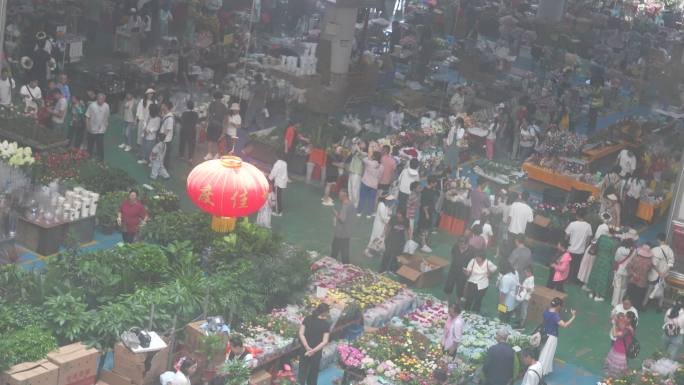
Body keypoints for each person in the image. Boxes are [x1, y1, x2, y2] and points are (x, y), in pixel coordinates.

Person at [539, 297, 577, 375]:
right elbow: (564, 325)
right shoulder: (555, 316)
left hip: (544, 335)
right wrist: (573, 316)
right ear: (558, 306)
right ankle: (542, 370)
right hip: (552, 338)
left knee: (543, 351)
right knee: (547, 354)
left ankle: (540, 368)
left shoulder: (546, 311)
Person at [298, 304, 331, 385]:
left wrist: (307, 347)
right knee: (313, 373)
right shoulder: (326, 324)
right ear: (324, 312)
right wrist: (313, 351)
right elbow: (325, 341)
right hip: (316, 352)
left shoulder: (308, 318)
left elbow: (301, 333)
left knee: (302, 371)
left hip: (304, 350)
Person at [579, 212, 612, 290]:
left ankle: (585, 283)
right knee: (590, 267)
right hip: (596, 248)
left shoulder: (601, 226)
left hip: (592, 246)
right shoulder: (606, 228)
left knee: (587, 266)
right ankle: (587, 283)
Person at [644, 233, 675, 309]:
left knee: (650, 289)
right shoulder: (670, 251)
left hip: (655, 274)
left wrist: (659, 273)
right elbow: (671, 264)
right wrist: (663, 273)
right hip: (665, 275)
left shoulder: (655, 250)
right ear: (665, 239)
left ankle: (644, 305)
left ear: (658, 239)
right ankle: (659, 307)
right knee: (661, 290)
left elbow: (654, 264)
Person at [587, 233, 619, 302]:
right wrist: (613, 265)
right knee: (602, 278)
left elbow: (596, 247)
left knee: (595, 274)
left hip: (598, 258)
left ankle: (592, 293)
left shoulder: (602, 237)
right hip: (607, 262)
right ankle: (598, 295)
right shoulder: (614, 242)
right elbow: (613, 254)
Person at [565, 210, 593, 284]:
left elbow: (566, 236)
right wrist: (585, 248)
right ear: (585, 216)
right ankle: (574, 280)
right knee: (577, 266)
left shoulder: (572, 224)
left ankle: (566, 278)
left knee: (568, 265)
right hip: (581, 250)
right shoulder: (588, 226)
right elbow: (588, 239)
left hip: (570, 248)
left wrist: (565, 245)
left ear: (577, 216)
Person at [603, 313, 633, 377]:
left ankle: (618, 375)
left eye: (625, 318)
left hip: (619, 351)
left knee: (617, 365)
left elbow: (614, 334)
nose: (623, 319)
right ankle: (624, 373)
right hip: (619, 349)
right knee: (619, 365)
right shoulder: (629, 327)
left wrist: (614, 324)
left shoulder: (625, 331)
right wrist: (616, 320)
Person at [444, 236, 472, 302]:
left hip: (463, 272)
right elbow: (452, 254)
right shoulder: (455, 247)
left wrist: (468, 271)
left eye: (462, 244)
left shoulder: (471, 251)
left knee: (460, 287)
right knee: (449, 285)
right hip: (453, 270)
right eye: (459, 244)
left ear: (466, 243)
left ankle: (458, 301)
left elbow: (472, 262)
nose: (460, 246)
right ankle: (447, 299)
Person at [626, 244, 653, 311]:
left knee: (630, 296)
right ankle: (634, 311)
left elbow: (628, 267)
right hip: (642, 282)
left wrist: (633, 274)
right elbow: (649, 270)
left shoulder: (635, 258)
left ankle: (627, 308)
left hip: (632, 280)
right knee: (638, 298)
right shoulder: (649, 262)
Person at [357, 151, 384, 216]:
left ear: (373, 156)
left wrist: (367, 155)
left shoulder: (369, 162)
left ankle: (359, 212)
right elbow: (380, 177)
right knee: (371, 200)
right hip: (374, 185)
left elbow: (362, 158)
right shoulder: (382, 167)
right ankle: (369, 214)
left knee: (362, 197)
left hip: (365, 183)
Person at [331, 190, 355, 264]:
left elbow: (342, 219)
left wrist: (336, 214)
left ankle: (331, 264)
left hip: (340, 233)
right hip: (347, 232)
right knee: (345, 252)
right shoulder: (351, 204)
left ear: (344, 196)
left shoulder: (345, 205)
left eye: (340, 195)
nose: (339, 197)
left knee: (335, 251)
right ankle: (347, 266)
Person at [85, 93, 110, 161]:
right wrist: (87, 127)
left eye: (102, 99)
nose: (101, 100)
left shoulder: (106, 106)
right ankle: (88, 156)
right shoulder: (92, 105)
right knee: (90, 144)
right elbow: (87, 116)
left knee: (100, 144)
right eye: (99, 98)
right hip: (91, 129)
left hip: (101, 130)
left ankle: (100, 158)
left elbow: (107, 117)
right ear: (97, 98)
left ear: (104, 99)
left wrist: (106, 126)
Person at [611, 239, 636, 306]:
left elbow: (616, 259)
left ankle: (614, 302)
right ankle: (620, 302)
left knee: (617, 286)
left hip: (619, 269)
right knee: (623, 287)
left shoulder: (620, 249)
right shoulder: (634, 251)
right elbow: (633, 261)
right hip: (627, 271)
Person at [418, 176, 438, 253]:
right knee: (424, 227)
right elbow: (424, 203)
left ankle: (424, 242)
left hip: (430, 212)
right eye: (435, 182)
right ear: (432, 183)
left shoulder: (431, 189)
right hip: (425, 212)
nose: (436, 183)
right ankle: (423, 244)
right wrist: (426, 213)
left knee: (427, 227)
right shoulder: (426, 191)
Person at [206, 92, 228, 160]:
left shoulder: (211, 105)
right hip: (219, 126)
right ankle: (217, 154)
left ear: (214, 98)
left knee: (210, 140)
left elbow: (208, 115)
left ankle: (210, 154)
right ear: (221, 98)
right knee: (218, 141)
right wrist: (224, 129)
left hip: (211, 125)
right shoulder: (224, 106)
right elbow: (225, 118)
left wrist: (206, 124)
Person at [347, 139, 366, 208]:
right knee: (350, 187)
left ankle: (355, 204)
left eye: (362, 143)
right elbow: (351, 149)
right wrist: (354, 143)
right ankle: (351, 201)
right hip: (352, 171)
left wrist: (356, 145)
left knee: (355, 189)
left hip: (357, 173)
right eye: (360, 143)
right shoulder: (356, 152)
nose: (361, 144)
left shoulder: (365, 154)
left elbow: (361, 153)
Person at [268, 152, 288, 216]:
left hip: (278, 183)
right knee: (277, 196)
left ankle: (278, 212)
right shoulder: (284, 163)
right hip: (282, 182)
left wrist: (269, 178)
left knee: (277, 197)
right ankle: (276, 208)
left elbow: (274, 172)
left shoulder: (278, 163)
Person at [160, 101, 175, 169]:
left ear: (166, 106)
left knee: (165, 155)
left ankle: (165, 168)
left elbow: (168, 129)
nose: (161, 106)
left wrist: (162, 137)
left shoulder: (170, 118)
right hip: (165, 138)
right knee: (163, 153)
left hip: (166, 139)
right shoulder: (166, 115)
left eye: (163, 105)